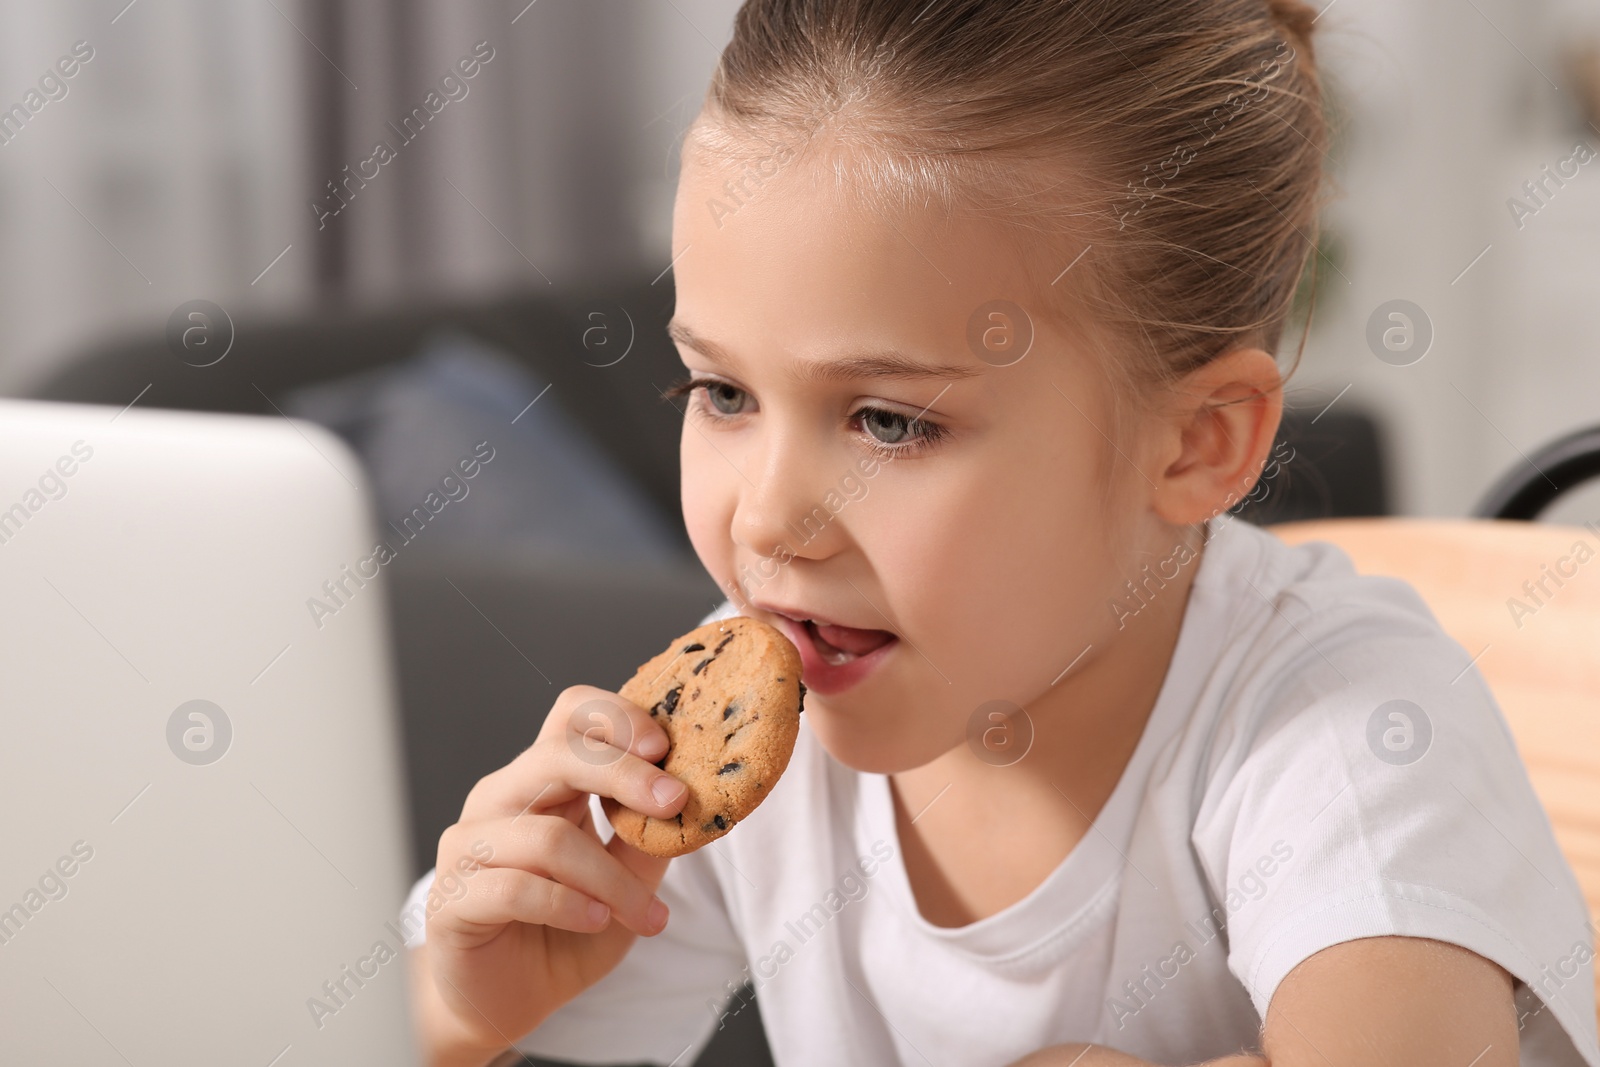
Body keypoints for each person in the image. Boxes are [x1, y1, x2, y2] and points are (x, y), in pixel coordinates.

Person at [403, 1, 1600, 1064]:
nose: (767, 516)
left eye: (886, 420)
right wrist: (468, 1016)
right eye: (720, 393)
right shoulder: (759, 735)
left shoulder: (1343, 730)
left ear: (1195, 443)